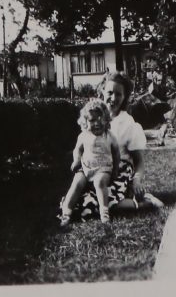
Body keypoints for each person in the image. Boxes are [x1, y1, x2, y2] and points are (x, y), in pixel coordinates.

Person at [59, 71, 164, 223]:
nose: (113, 98)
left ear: (125, 97)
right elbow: (84, 143)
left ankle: (144, 203)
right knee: (77, 202)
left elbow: (139, 161)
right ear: (102, 91)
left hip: (118, 169)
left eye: (118, 94)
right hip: (94, 168)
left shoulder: (128, 124)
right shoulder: (93, 117)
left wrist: (137, 180)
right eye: (109, 92)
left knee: (103, 200)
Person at [60, 99, 120, 226]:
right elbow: (78, 149)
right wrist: (76, 160)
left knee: (99, 182)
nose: (97, 123)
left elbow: (116, 152)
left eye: (100, 119)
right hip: (86, 167)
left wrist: (115, 169)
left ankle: (104, 212)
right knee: (76, 183)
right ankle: (66, 212)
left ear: (106, 119)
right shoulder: (83, 135)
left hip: (103, 168)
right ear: (85, 122)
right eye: (92, 120)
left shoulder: (109, 136)